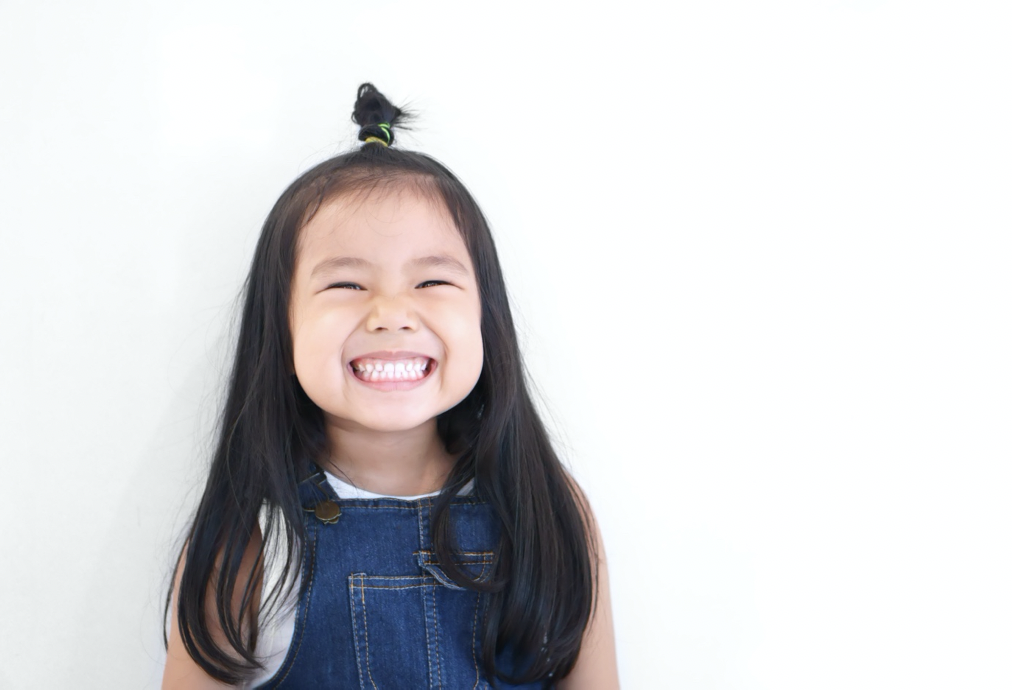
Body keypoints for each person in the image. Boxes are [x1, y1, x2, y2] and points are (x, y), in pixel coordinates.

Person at [162, 83, 618, 689]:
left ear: (487, 316)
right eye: (346, 285)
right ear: (283, 325)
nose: (391, 313)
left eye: (432, 283)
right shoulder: (251, 537)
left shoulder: (548, 513)